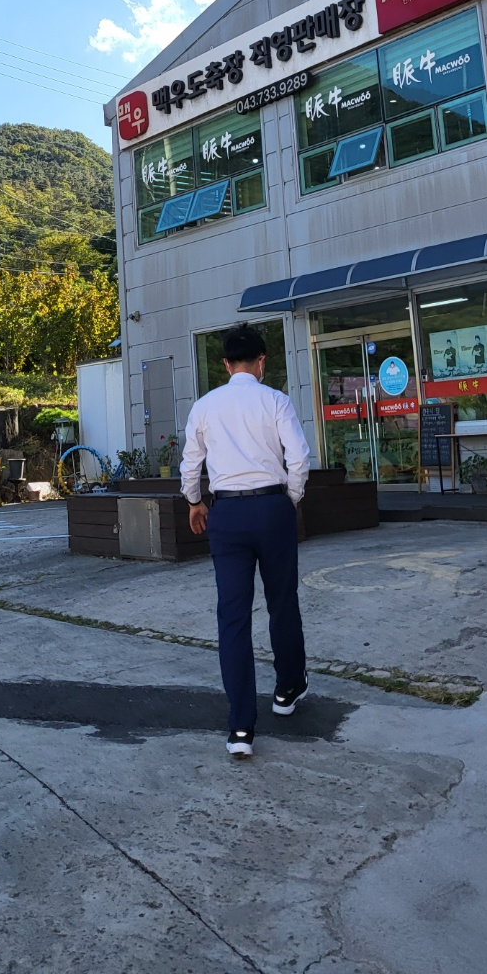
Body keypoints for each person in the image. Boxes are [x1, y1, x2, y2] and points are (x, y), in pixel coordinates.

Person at [180, 323, 311, 760]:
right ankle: (287, 689)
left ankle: (240, 727)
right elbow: (299, 458)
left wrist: (195, 502)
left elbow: (190, 464)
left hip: (227, 513)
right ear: (261, 362)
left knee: (232, 616)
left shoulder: (204, 406)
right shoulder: (275, 400)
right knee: (282, 601)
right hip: (272, 506)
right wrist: (290, 498)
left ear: (225, 364)